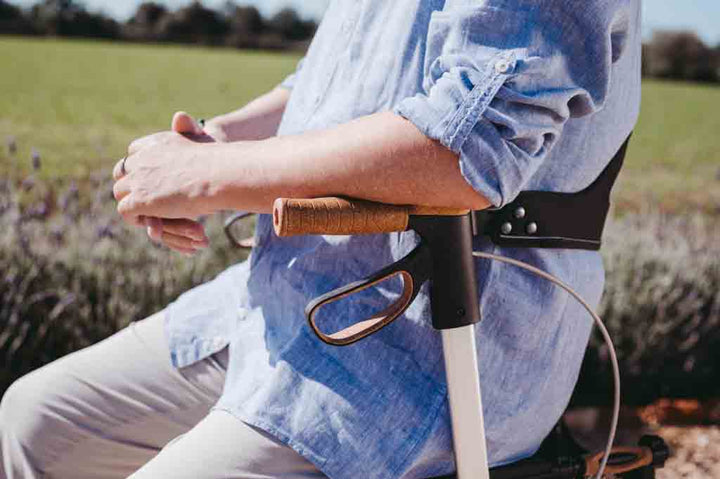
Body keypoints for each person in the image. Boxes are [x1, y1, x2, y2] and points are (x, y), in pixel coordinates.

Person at [0, 1, 642, 478]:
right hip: (286, 296)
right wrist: (217, 140)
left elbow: (468, 145)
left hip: (425, 339)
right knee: (35, 422)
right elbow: (328, 81)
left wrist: (204, 178)